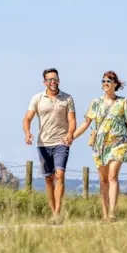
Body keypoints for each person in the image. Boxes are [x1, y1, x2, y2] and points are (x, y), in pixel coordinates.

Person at [72, 71, 127, 222]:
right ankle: (105, 214)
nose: (105, 83)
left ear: (115, 84)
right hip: (100, 145)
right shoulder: (96, 103)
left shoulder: (124, 102)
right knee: (103, 180)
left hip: (119, 143)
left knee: (113, 176)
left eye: (108, 81)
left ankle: (113, 213)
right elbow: (86, 123)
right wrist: (71, 137)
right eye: (103, 81)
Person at [23, 68, 76, 221]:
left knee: (60, 174)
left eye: (55, 79)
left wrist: (69, 134)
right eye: (49, 79)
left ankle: (57, 213)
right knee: (49, 179)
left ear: (59, 80)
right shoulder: (37, 98)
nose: (53, 82)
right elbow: (27, 119)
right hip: (43, 143)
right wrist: (27, 133)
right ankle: (53, 211)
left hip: (62, 142)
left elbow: (72, 120)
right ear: (44, 82)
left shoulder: (67, 98)